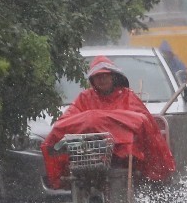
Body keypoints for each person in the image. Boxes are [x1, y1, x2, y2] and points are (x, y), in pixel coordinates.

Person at [42, 56, 175, 189]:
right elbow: (66, 122)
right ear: (92, 80)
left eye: (105, 75)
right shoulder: (85, 98)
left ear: (113, 77)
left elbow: (143, 122)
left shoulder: (127, 96)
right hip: (89, 156)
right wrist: (92, 121)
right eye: (97, 76)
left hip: (123, 158)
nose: (101, 79)